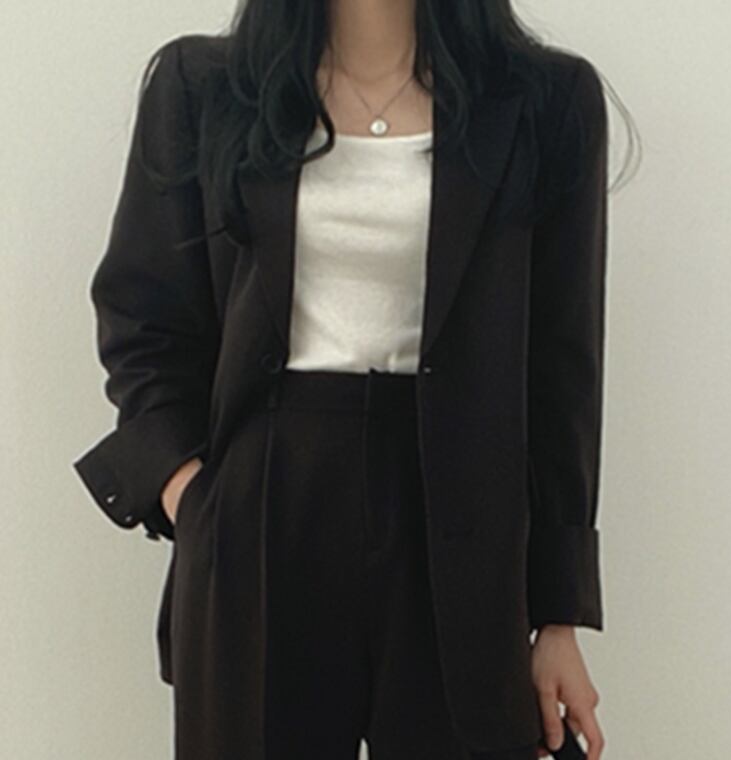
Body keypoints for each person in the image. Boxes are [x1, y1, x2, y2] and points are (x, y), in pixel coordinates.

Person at [72, 2, 639, 759]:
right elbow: (143, 318)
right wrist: (194, 498)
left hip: (463, 526)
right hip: (263, 510)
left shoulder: (543, 101)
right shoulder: (205, 88)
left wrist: (558, 617)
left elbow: (562, 369)